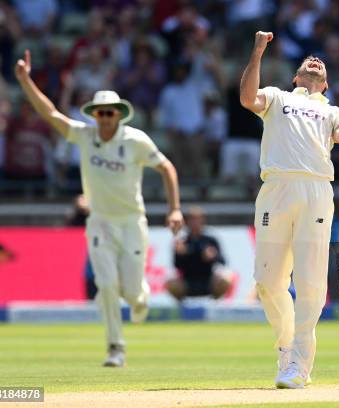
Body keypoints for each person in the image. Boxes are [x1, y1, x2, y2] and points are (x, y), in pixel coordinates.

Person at [14, 50, 184, 368]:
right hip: (101, 222)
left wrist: (174, 209)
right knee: (105, 284)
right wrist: (25, 81)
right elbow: (50, 114)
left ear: (119, 114)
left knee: (132, 292)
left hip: (133, 221)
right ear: (94, 115)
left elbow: (167, 168)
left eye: (110, 113)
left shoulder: (136, 140)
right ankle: (115, 347)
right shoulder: (85, 135)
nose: (105, 118)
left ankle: (141, 296)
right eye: (100, 113)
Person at [239, 31, 339, 389]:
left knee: (310, 282)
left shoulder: (331, 110)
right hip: (276, 188)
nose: (315, 61)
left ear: (326, 82)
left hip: (316, 190)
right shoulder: (277, 96)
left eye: (320, 64)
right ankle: (287, 346)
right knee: (267, 282)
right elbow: (246, 98)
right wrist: (257, 52)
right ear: (296, 76)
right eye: (308, 62)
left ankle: (299, 365)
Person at [166, 207, 231, 301]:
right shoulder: (182, 242)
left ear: (203, 221)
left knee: (226, 280)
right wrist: (180, 254)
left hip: (208, 281)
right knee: (171, 284)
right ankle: (183, 309)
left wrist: (213, 256)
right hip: (187, 281)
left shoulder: (211, 240)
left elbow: (223, 261)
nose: (195, 223)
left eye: (197, 219)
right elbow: (176, 265)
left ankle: (215, 305)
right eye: (192, 219)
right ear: (187, 222)